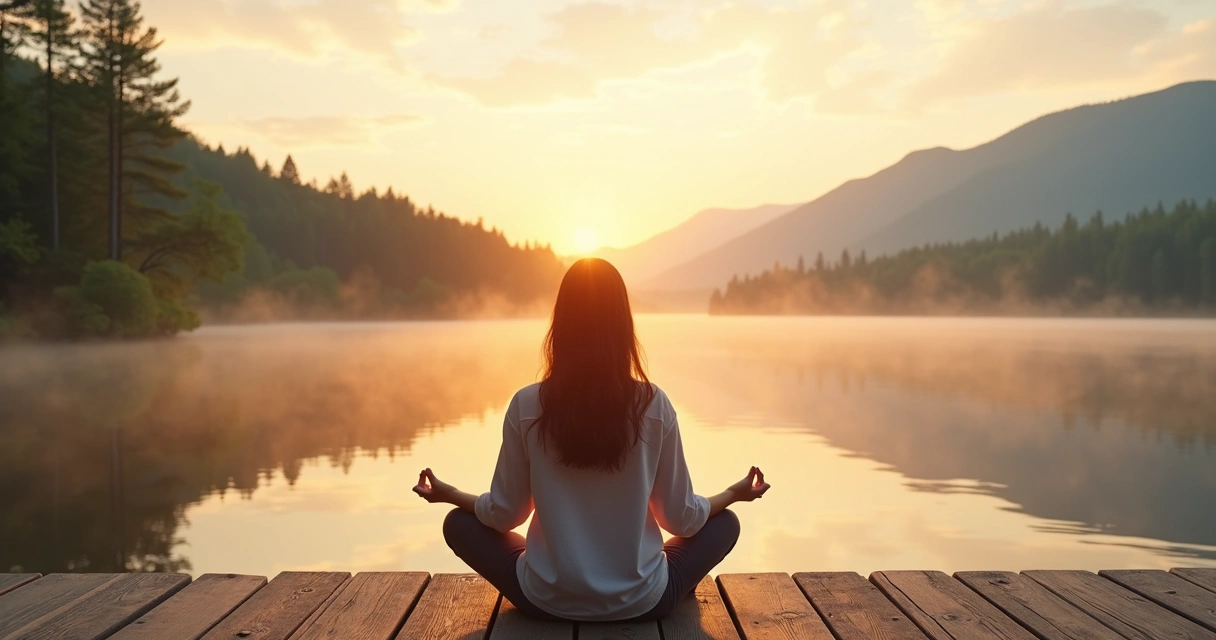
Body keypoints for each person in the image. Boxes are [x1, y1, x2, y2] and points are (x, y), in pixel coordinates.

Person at [412, 258, 771, 622]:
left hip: (544, 601)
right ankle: (659, 585)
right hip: (642, 601)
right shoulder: (653, 404)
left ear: (561, 325)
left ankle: (554, 576)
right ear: (622, 326)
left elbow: (505, 514)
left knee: (457, 524)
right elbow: (682, 520)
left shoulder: (526, 404)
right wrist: (733, 494)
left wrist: (449, 495)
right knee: (726, 524)